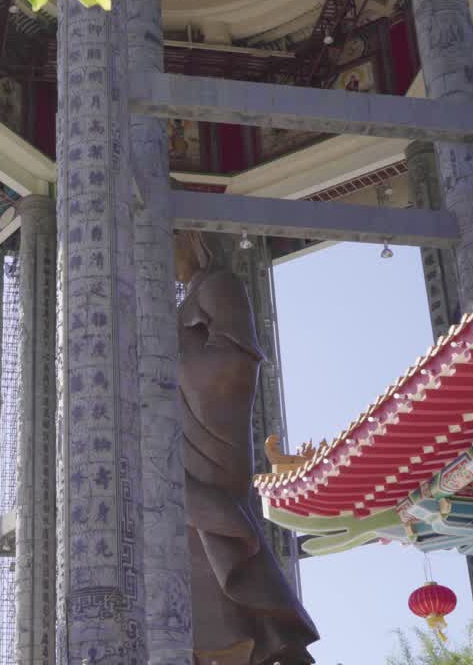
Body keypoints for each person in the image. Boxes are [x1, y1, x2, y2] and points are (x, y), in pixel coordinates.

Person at [174, 231, 319, 665]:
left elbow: (237, 362)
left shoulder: (220, 285)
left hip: (213, 436)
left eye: (170, 238)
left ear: (194, 238)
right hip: (183, 431)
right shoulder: (190, 299)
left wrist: (164, 361)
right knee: (191, 541)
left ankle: (263, 636)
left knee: (217, 523)